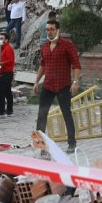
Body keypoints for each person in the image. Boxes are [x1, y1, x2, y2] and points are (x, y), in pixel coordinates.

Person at [34, 19, 81, 154]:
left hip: (63, 85)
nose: (49, 32)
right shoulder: (44, 46)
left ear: (57, 30)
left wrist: (76, 82)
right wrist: (36, 81)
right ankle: (42, 146)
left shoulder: (67, 45)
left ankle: (72, 143)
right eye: (47, 29)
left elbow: (76, 64)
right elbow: (43, 65)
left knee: (66, 113)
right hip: (48, 85)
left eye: (52, 29)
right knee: (42, 115)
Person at [0, 31, 14, 118]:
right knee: (7, 92)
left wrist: (1, 63)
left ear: (6, 40)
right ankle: (9, 110)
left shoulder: (8, 48)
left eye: (1, 38)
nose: (0, 40)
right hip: (5, 72)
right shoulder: (3, 48)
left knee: (1, 91)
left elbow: (10, 60)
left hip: (7, 72)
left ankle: (1, 110)